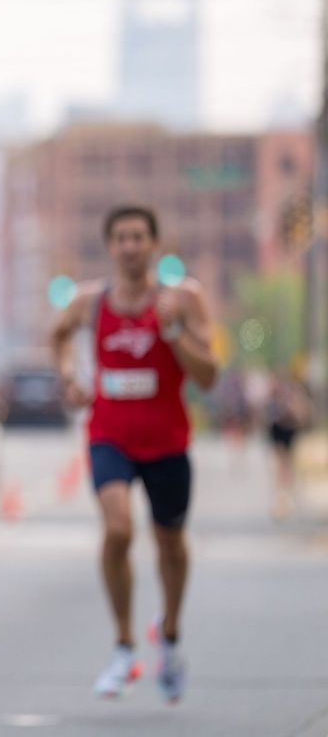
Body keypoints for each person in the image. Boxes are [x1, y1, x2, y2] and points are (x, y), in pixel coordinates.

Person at [50, 206, 218, 704]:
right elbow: (58, 335)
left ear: (154, 244)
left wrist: (174, 333)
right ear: (110, 246)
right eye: (120, 237)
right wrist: (68, 377)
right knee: (118, 528)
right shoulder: (91, 303)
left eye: (138, 237)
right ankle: (124, 646)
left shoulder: (182, 300)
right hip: (110, 437)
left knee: (170, 543)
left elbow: (209, 374)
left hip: (168, 441)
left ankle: (168, 634)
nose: (129, 246)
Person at [266, 368, 311, 518]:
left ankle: (286, 498)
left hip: (288, 431)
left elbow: (302, 414)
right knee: (282, 464)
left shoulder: (292, 393)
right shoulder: (276, 393)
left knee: (285, 464)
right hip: (278, 431)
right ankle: (282, 499)